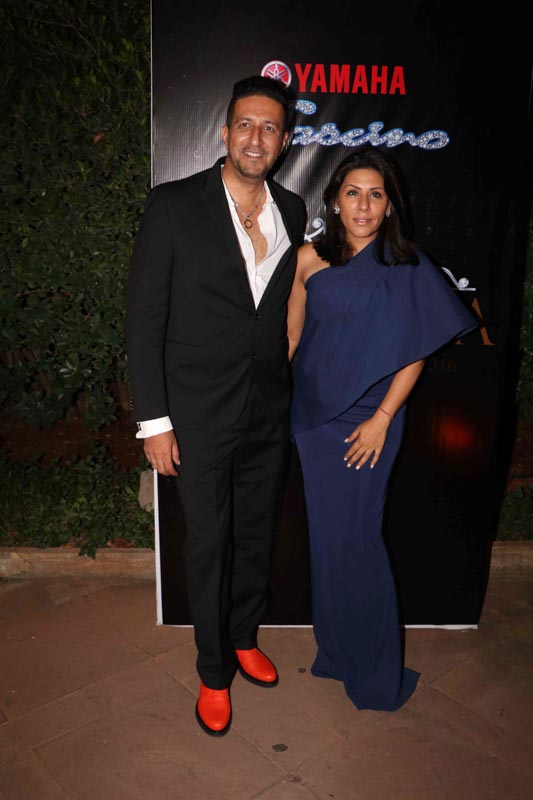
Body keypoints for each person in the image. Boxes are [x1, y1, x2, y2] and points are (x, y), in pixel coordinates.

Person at [125, 75, 307, 736]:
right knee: (208, 542)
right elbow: (144, 320)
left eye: (270, 128)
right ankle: (211, 671)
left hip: (266, 409)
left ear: (284, 141)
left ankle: (243, 636)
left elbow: (277, 309)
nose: (256, 138)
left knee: (256, 533)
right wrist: (154, 423)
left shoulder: (293, 210)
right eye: (245, 125)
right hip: (196, 413)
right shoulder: (174, 205)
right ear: (225, 132)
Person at [287, 146, 478, 711]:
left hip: (372, 419)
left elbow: (414, 352)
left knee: (362, 543)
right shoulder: (307, 260)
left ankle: (375, 673)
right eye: (353, 193)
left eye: (376, 194)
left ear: (390, 204)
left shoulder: (407, 265)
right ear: (335, 202)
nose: (364, 205)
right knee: (328, 542)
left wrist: (383, 419)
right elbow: (290, 339)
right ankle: (337, 652)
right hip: (313, 420)